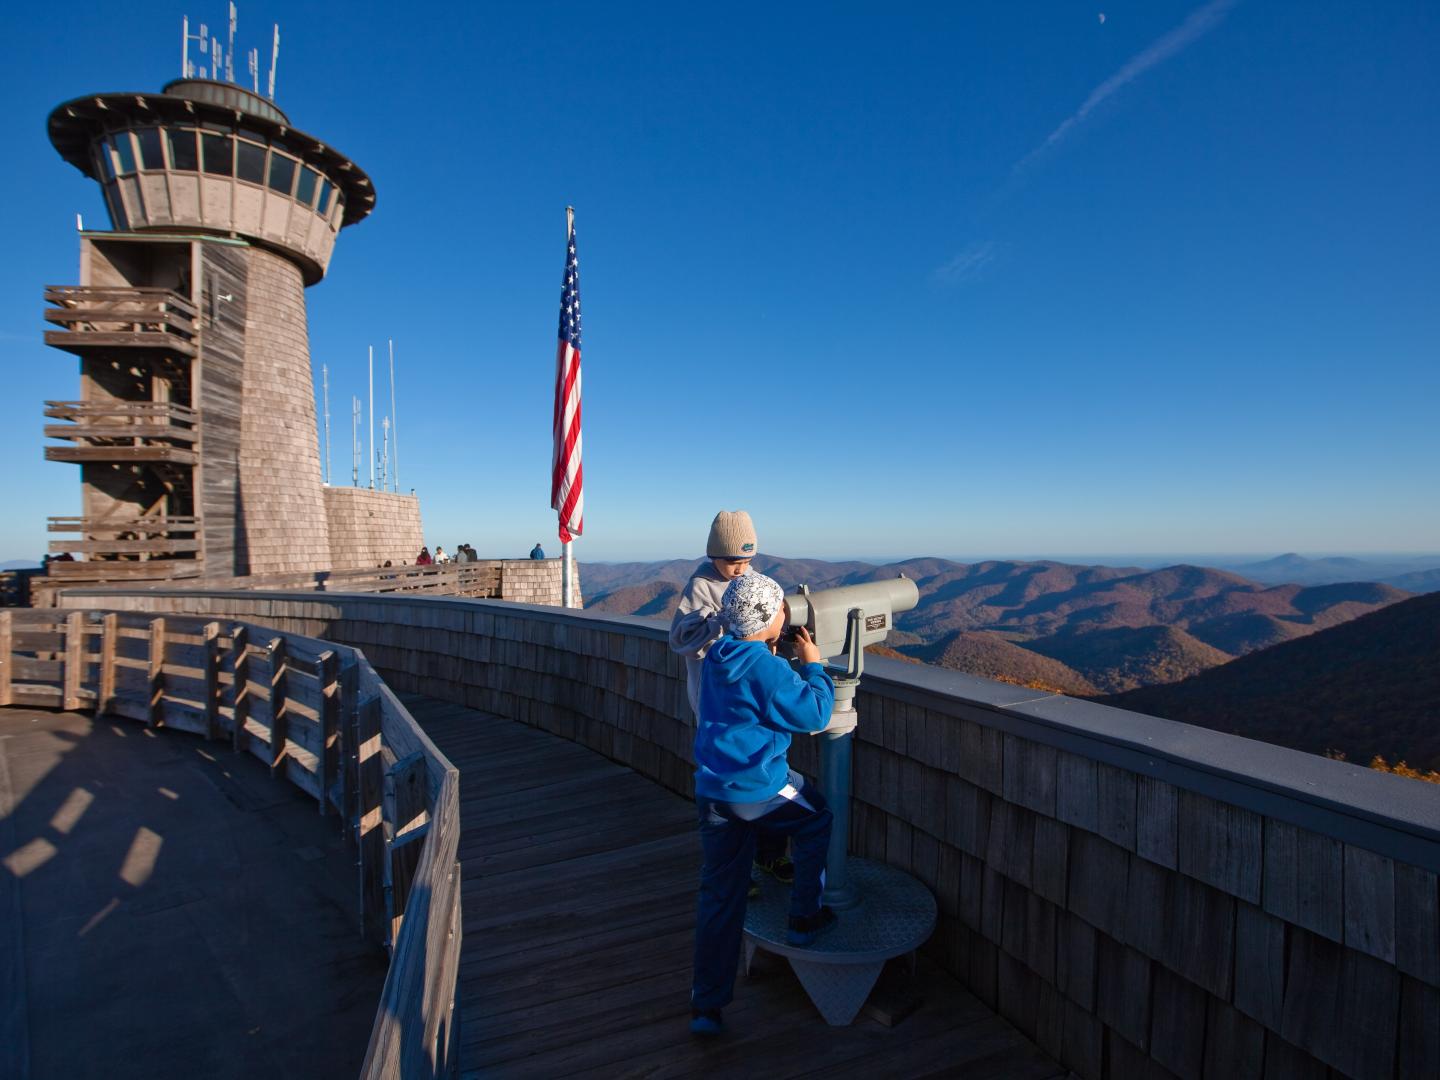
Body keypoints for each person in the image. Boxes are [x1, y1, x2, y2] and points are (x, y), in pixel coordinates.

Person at [688, 571, 836, 1037]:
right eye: (781, 609)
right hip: (761, 789)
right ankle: (804, 918)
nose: (785, 615)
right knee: (817, 816)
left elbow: (749, 692)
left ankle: (705, 1007)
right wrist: (813, 665)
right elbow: (814, 713)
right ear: (769, 617)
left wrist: (773, 651)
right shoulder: (768, 668)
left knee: (720, 899)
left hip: (714, 794)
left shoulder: (718, 655)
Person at [670, 510, 789, 897]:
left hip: (756, 701)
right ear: (712, 556)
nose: (739, 569)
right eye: (731, 561)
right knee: (728, 790)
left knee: (768, 776)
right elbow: (682, 641)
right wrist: (718, 622)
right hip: (719, 708)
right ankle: (736, 870)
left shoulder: (755, 581)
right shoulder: (700, 587)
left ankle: (769, 854)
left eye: (746, 560)